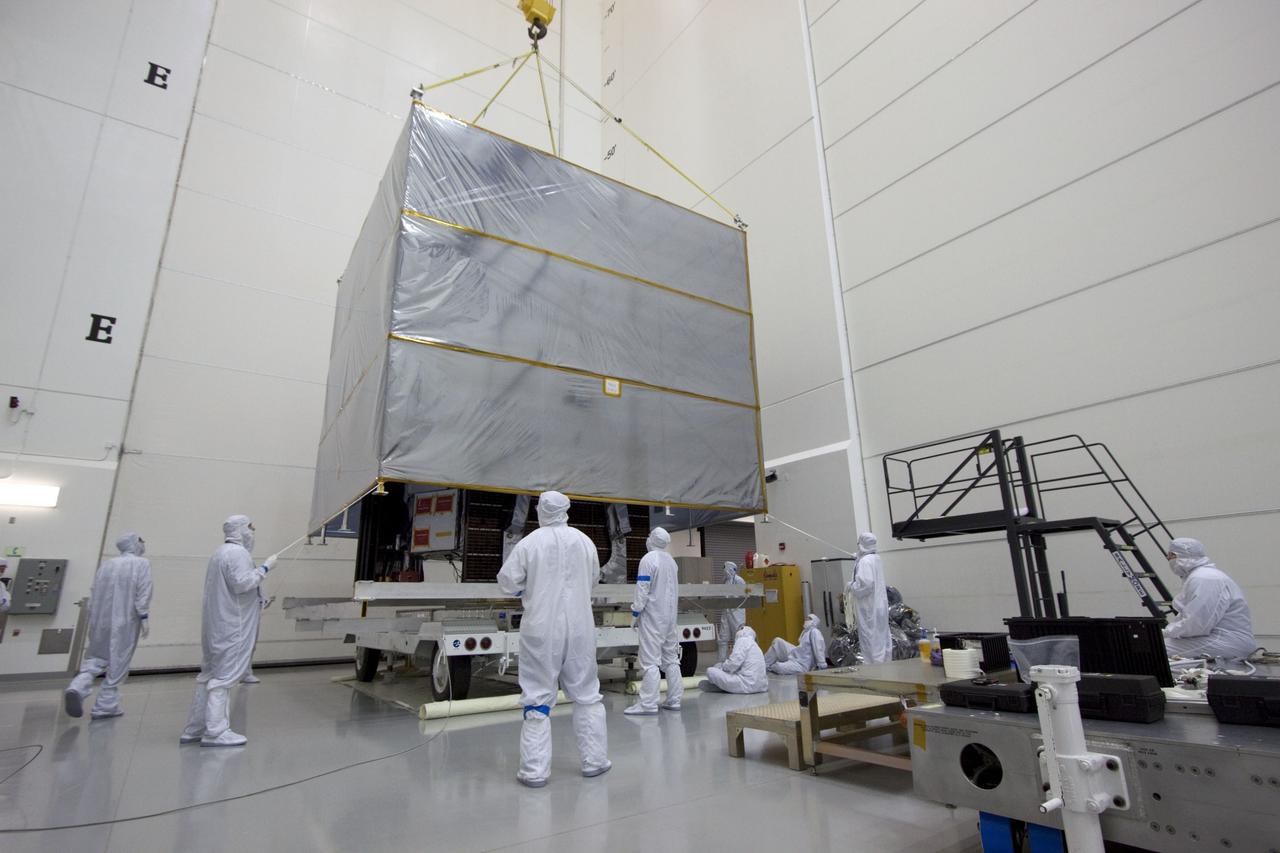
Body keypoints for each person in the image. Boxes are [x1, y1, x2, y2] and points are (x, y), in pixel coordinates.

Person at [497, 491, 610, 787]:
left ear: (540, 511)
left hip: (541, 629)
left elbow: (507, 582)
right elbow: (594, 579)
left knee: (537, 696)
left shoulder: (529, 542)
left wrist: (529, 589)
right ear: (566, 510)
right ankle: (595, 760)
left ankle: (535, 771)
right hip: (581, 627)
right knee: (586, 692)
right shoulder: (585, 542)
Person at [180, 516, 276, 747]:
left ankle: (195, 728)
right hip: (233, 626)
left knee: (208, 676)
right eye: (250, 528)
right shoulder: (238, 554)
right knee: (223, 678)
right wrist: (265, 568)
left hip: (217, 625)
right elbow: (242, 583)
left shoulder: (219, 553)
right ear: (241, 530)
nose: (253, 533)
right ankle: (216, 731)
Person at [63, 533, 153, 719]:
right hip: (125, 620)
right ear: (134, 544)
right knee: (119, 659)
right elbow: (143, 592)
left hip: (99, 620)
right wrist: (143, 617)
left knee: (96, 656)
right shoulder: (141, 564)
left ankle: (79, 684)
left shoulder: (107, 564)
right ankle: (106, 705)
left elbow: (94, 591)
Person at [1163, 538, 1255, 661]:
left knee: (1155, 649)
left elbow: (1197, 625)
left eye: (1171, 555)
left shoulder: (1205, 578)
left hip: (1225, 641)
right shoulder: (1200, 576)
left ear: (1183, 556)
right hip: (1220, 639)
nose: (1169, 559)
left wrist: (1167, 632)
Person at [624, 526, 684, 715]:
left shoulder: (648, 559)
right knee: (671, 659)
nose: (647, 539)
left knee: (650, 661)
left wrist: (635, 612)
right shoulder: (672, 562)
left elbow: (643, 589)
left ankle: (648, 704)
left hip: (653, 617)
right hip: (669, 618)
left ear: (653, 540)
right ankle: (674, 700)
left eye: (649, 536)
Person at [845, 532, 891, 664]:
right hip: (879, 606)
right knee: (881, 639)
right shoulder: (876, 558)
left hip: (868, 608)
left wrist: (852, 586)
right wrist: (859, 560)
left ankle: (875, 671)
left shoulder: (865, 562)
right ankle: (886, 667)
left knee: (870, 639)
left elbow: (865, 585)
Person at [701, 625, 768, 694]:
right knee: (723, 668)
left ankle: (721, 686)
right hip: (762, 686)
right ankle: (725, 686)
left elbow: (733, 664)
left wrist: (722, 667)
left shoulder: (742, 641)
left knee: (711, 670)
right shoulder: (755, 645)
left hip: (747, 684)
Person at [717, 560, 747, 662]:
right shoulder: (725, 581)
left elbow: (745, 596)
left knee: (738, 638)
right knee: (723, 638)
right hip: (726, 612)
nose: (723, 571)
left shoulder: (739, 580)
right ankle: (721, 662)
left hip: (736, 613)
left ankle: (738, 662)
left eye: (724, 568)